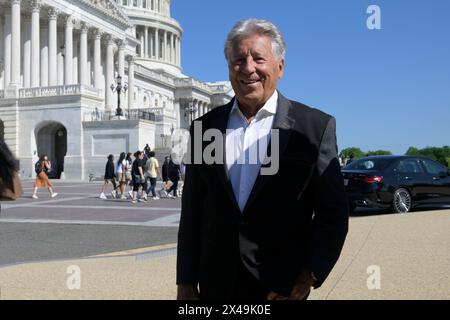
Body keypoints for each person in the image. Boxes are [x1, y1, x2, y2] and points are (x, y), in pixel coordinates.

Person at [177, 19, 348, 300]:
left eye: (258, 58)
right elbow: (193, 211)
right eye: (238, 60)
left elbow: (333, 213)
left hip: (280, 286)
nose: (248, 68)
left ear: (280, 67)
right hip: (217, 285)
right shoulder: (203, 129)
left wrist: (311, 272)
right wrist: (185, 282)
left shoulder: (314, 128)